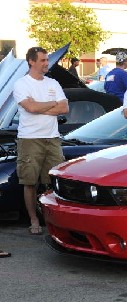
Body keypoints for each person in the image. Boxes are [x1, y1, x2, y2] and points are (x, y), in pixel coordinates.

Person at [13, 46, 69, 235]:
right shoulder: (21, 84)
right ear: (32, 61)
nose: (46, 63)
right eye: (43, 60)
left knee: (53, 182)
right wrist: (52, 104)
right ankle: (34, 220)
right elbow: (30, 107)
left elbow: (64, 109)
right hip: (30, 139)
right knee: (29, 182)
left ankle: (54, 221)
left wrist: (41, 106)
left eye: (46, 60)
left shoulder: (53, 83)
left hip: (52, 138)